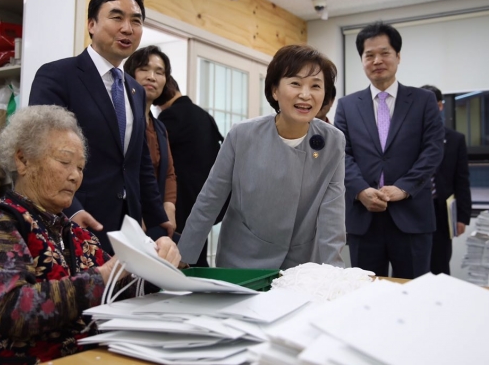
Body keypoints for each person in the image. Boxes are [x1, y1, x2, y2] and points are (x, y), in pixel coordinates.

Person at [0, 106, 180, 364]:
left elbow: (119, 292)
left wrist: (154, 264)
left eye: (81, 168)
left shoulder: (77, 234)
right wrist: (106, 274)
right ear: (23, 160)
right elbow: (13, 311)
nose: (75, 176)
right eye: (64, 162)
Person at [29, 0, 174, 252]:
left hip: (128, 227)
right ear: (92, 24)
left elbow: (139, 161)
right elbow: (41, 152)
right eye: (117, 17)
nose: (128, 28)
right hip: (74, 221)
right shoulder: (58, 76)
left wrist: (158, 221)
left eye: (136, 21)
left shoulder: (136, 91)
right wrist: (71, 210)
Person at [178, 44, 346, 269]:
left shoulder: (333, 141)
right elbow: (211, 198)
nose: (305, 95)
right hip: (243, 258)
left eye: (316, 86)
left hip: (301, 265)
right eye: (295, 83)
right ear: (275, 90)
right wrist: (183, 256)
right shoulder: (242, 135)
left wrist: (334, 273)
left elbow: (332, 212)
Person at [334, 21, 444, 279]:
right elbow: (341, 154)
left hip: (412, 216)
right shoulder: (347, 105)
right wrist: (360, 191)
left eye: (384, 53)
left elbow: (433, 150)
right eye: (369, 55)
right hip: (364, 218)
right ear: (361, 60)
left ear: (398, 56)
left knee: (414, 292)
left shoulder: (423, 101)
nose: (377, 60)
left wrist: (404, 188)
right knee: (365, 295)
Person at [155, 77, 224, 267]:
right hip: (204, 201)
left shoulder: (170, 117)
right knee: (198, 257)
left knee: (178, 261)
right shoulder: (203, 115)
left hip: (179, 202)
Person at [421, 84, 472, 275]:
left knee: (440, 266)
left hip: (442, 211)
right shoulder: (408, 137)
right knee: (412, 268)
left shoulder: (455, 139)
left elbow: (462, 180)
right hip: (414, 209)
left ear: (440, 106)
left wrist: (463, 216)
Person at [124, 46, 177, 229]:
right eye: (144, 69)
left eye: (159, 72)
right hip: (125, 219)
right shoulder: (123, 121)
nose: (151, 77)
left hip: (155, 218)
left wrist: (169, 207)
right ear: (130, 75)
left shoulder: (160, 128)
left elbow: (169, 173)